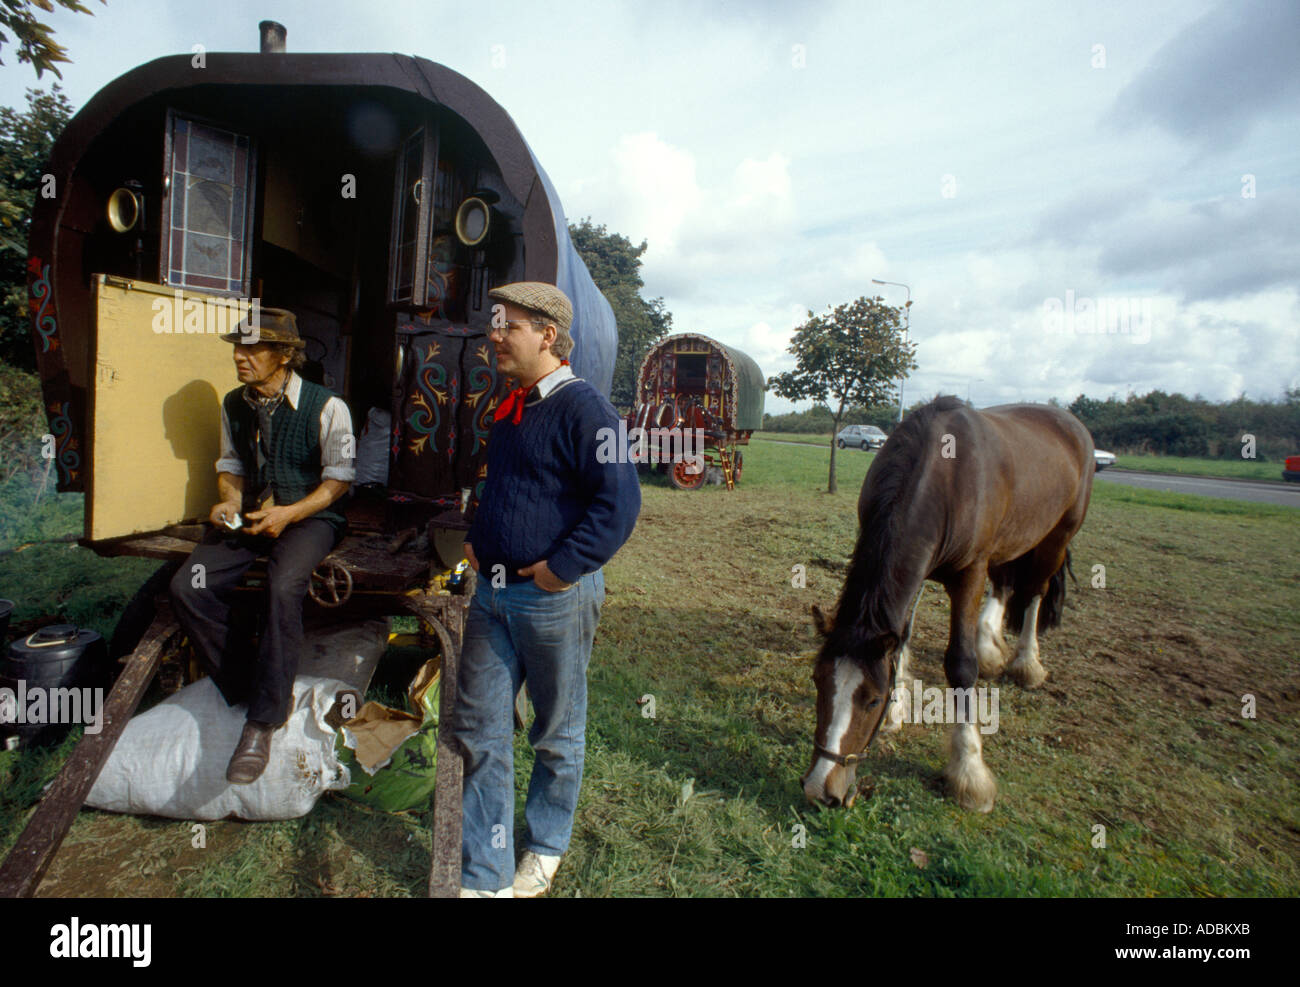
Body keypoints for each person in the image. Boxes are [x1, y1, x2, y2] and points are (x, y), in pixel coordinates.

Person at [458, 282, 640, 897]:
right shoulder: (514, 407)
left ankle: (544, 846)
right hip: (491, 596)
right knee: (481, 732)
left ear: (549, 336)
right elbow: (501, 487)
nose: (495, 335)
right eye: (494, 323)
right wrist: (477, 535)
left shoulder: (590, 410)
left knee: (555, 730)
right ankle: (483, 876)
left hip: (553, 599)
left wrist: (564, 567)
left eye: (509, 325)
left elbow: (620, 503)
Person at [168, 307, 354, 784]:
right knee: (189, 586)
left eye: (253, 348)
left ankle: (262, 723)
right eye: (237, 347)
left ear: (284, 356)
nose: (240, 357)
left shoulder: (328, 406)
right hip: (253, 513)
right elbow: (230, 462)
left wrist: (287, 514)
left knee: (283, 585)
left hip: (309, 516)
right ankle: (254, 685)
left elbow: (338, 481)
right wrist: (227, 502)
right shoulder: (235, 403)